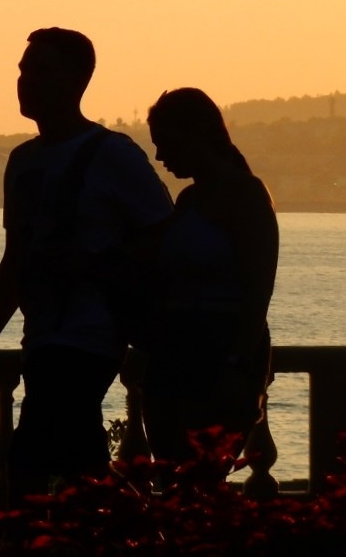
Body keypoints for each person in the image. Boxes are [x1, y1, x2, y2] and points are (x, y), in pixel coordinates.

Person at [0, 28, 173, 502]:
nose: (25, 80)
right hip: (43, 336)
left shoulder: (113, 154)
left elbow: (164, 233)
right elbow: (15, 259)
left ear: (77, 80)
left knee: (29, 461)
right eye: (22, 70)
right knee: (77, 459)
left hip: (91, 334)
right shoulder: (22, 161)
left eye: (40, 70)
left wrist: (96, 261)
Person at [142, 87, 279, 465]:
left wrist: (238, 364)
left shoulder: (247, 196)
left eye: (165, 142)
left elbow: (258, 291)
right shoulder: (187, 202)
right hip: (174, 354)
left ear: (197, 134)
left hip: (219, 354)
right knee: (172, 472)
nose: (159, 155)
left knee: (201, 474)